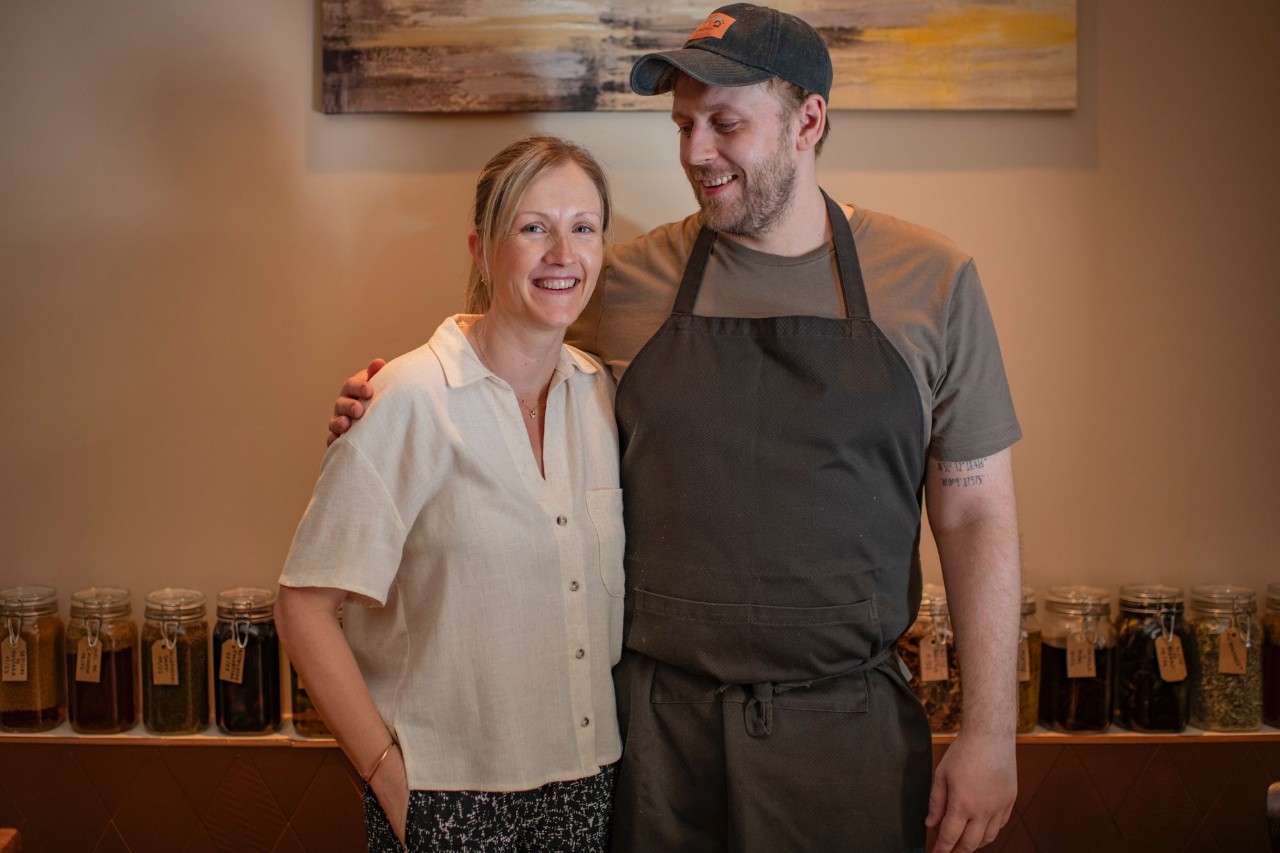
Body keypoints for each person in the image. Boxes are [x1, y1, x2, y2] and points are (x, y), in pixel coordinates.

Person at [329, 6, 1021, 852]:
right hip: (657, 741)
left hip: (848, 732)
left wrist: (992, 733)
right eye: (684, 125)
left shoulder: (932, 280)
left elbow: (975, 513)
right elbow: (490, 373)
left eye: (725, 124)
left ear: (809, 121)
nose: (695, 153)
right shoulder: (623, 279)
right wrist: (386, 395)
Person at [277, 135, 626, 852]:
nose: (563, 253)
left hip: (590, 788)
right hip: (450, 802)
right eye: (534, 227)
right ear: (482, 249)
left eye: (582, 227)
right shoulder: (406, 397)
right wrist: (390, 780)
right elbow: (303, 606)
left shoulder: (602, 396)